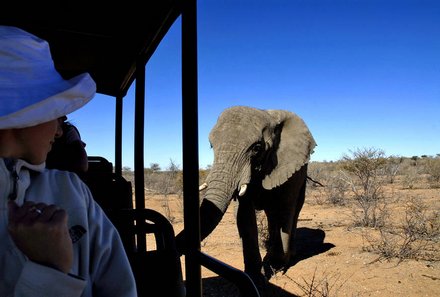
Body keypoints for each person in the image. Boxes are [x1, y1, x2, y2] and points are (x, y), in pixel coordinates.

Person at [0, 26, 137, 296]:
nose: (59, 130)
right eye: (56, 114)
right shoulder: (70, 193)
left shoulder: (73, 191)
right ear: (22, 116)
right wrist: (50, 271)